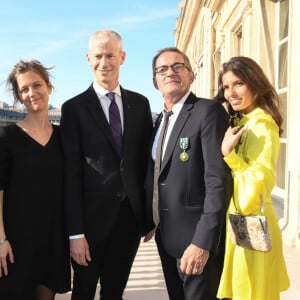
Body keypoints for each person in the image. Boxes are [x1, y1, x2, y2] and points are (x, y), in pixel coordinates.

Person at [60, 29, 153, 300]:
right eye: (98, 56)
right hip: (88, 224)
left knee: (115, 292)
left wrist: (149, 216)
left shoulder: (141, 103)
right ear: (88, 59)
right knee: (84, 292)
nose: (105, 62)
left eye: (110, 55)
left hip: (129, 221)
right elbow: (71, 175)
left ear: (122, 57)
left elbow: (146, 164)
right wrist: (75, 232)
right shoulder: (73, 108)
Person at [143, 47, 232, 300]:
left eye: (177, 66)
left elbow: (218, 182)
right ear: (155, 81)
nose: (169, 72)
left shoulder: (208, 112)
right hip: (166, 238)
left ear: (191, 75)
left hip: (196, 241)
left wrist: (203, 242)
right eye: (162, 69)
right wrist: (150, 220)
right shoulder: (160, 120)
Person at [215, 56, 290, 300]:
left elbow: (257, 187)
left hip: (252, 223)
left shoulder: (261, 125)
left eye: (238, 84)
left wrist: (229, 155)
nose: (230, 93)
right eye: (226, 86)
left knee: (251, 291)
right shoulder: (244, 121)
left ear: (255, 84)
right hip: (241, 222)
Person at [0, 60, 71, 300]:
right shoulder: (7, 136)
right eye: (24, 89)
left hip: (53, 239)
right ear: (19, 97)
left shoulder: (64, 137)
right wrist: (1, 240)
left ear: (49, 87)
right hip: (16, 242)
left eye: (37, 85)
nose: (32, 93)